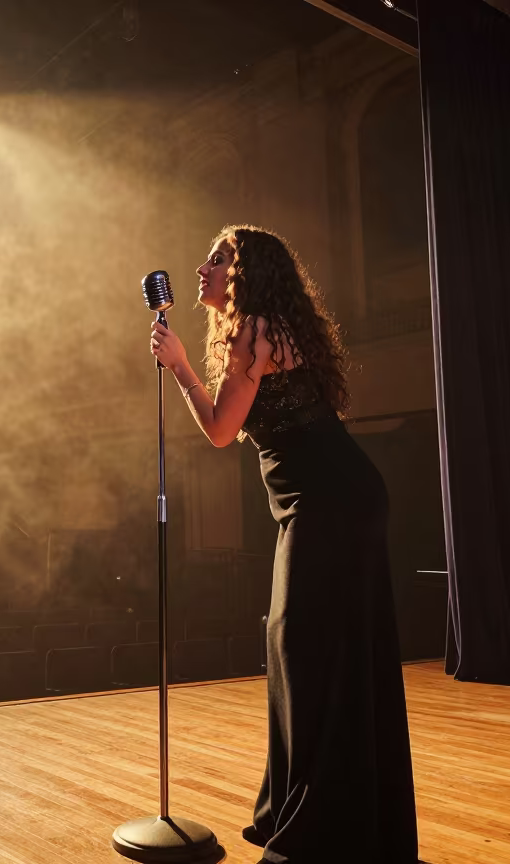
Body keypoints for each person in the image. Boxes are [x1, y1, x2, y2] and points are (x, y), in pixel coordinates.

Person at [149, 225, 418, 863]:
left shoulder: (255, 331)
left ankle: (319, 824)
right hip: (329, 499)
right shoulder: (265, 328)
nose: (202, 269)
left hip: (331, 502)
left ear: (246, 272)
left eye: (217, 260)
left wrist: (180, 367)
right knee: (302, 644)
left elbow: (221, 430)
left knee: (303, 647)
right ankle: (307, 810)